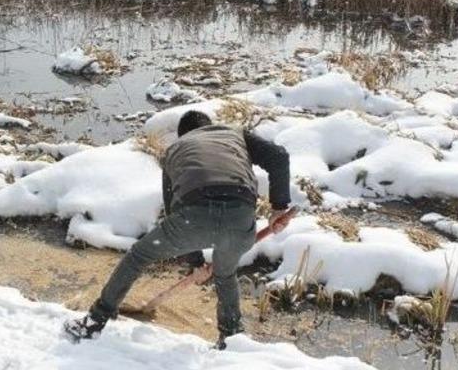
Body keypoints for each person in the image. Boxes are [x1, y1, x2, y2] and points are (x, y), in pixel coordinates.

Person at [64, 110, 293, 349]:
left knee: (138, 256)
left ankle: (95, 321)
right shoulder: (234, 134)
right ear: (209, 126)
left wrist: (194, 263)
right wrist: (279, 207)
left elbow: (174, 211)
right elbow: (278, 156)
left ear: (183, 135)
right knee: (225, 275)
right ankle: (231, 340)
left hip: (193, 218)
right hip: (240, 219)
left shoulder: (175, 151)